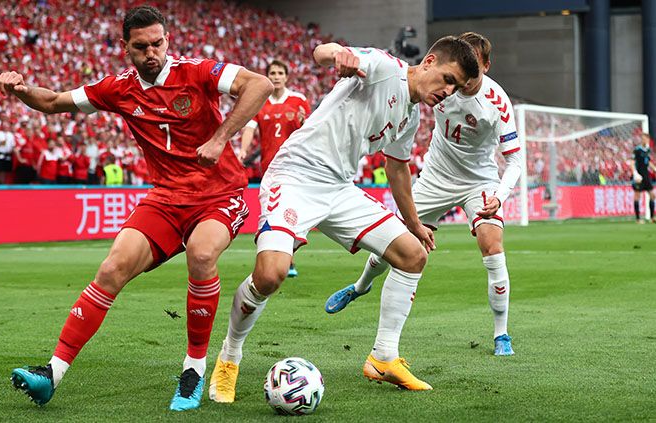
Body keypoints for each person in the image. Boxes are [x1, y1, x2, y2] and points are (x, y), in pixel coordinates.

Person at [0, 5, 272, 411]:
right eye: (141, 46)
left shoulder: (198, 72)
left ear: (167, 41)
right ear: (126, 47)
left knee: (200, 253)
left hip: (219, 193)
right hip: (165, 198)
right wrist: (20, 91)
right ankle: (51, 374)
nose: (152, 52)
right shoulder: (118, 88)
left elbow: (260, 85)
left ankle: (193, 368)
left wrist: (220, 138)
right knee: (111, 268)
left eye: (158, 43)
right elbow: (54, 101)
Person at [209, 36, 478, 403]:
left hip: (338, 187)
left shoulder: (411, 115)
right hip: (296, 176)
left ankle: (383, 358)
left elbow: (397, 170)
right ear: (429, 62)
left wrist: (414, 224)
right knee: (270, 275)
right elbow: (322, 51)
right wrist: (340, 55)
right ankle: (229, 356)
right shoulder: (385, 68)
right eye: (448, 79)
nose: (448, 91)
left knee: (413, 254)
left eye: (457, 88)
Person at [325, 32, 521, 357]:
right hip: (435, 175)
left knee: (492, 246)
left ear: (485, 65)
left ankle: (501, 333)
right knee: (398, 241)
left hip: (479, 181)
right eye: (455, 69)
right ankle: (360, 286)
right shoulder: (439, 87)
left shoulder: (497, 102)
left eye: (470, 69)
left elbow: (514, 158)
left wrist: (500, 195)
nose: (457, 81)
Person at [238, 59, 311, 278]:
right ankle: (277, 260)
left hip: (296, 166)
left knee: (291, 214)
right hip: (270, 168)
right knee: (270, 215)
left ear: (286, 76)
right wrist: (243, 150)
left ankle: (285, 259)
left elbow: (310, 129)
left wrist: (303, 122)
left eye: (280, 72)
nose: (277, 76)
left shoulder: (299, 100)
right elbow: (250, 128)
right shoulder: (259, 101)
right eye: (273, 72)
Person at [632, 132, 656, 223]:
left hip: (646, 176)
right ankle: (638, 219)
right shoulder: (637, 150)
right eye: (642, 138)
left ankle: (652, 217)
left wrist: (654, 168)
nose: (644, 140)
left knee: (652, 195)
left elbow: (648, 162)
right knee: (637, 196)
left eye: (646, 138)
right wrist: (635, 173)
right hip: (639, 176)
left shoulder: (648, 150)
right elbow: (632, 162)